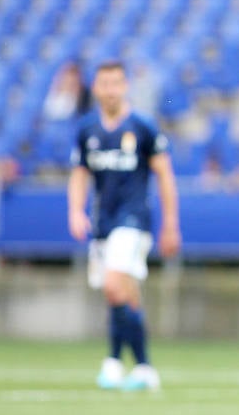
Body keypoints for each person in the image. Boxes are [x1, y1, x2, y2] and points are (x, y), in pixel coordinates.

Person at [67, 61, 181, 391]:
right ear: (96, 88)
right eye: (105, 83)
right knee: (125, 297)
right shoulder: (87, 129)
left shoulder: (143, 126)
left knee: (114, 285)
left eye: (117, 83)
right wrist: (75, 210)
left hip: (133, 221)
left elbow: (164, 175)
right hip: (104, 221)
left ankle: (113, 361)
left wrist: (170, 224)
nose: (111, 89)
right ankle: (143, 368)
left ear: (125, 86)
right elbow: (79, 174)